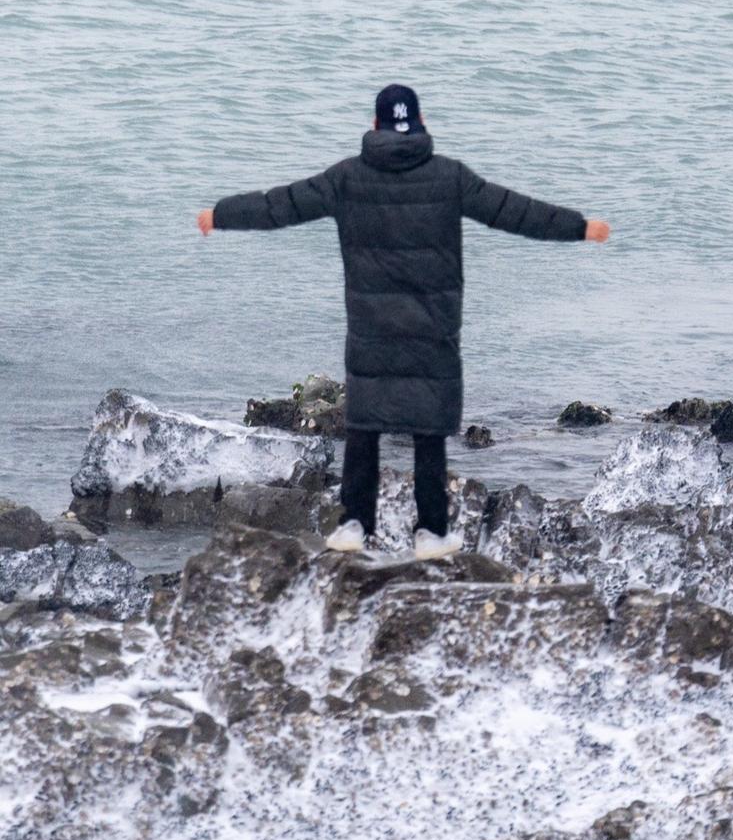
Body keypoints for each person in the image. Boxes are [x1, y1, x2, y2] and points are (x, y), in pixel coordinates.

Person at [197, 81, 609, 561]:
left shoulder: (347, 178)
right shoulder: (449, 177)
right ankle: (431, 533)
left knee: (366, 426)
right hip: (431, 328)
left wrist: (220, 215)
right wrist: (579, 227)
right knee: (428, 430)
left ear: (373, 126)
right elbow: (512, 211)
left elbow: (281, 204)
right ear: (421, 124)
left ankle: (353, 525)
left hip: (372, 327)